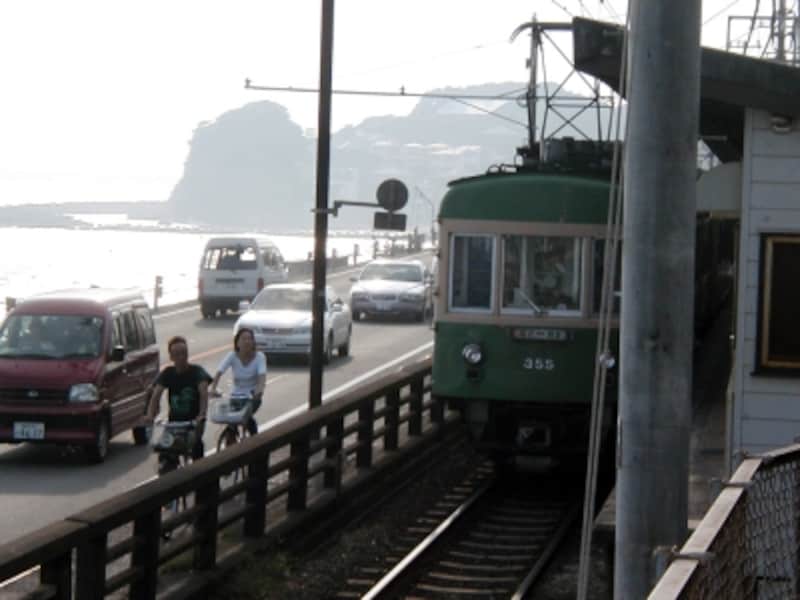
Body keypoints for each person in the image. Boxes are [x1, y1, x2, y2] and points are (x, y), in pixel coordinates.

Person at [148, 335, 212, 460]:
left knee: (196, 449)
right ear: (171, 357)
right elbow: (156, 394)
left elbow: (203, 393)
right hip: (174, 424)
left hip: (193, 423)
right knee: (163, 450)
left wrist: (202, 414)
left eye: (184, 353)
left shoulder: (197, 371)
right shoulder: (168, 373)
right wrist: (150, 415)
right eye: (177, 354)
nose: (181, 357)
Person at [209, 328, 266, 436]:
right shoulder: (232, 356)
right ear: (237, 342)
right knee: (231, 422)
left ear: (253, 342)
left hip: (252, 397)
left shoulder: (260, 357)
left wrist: (259, 391)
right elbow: (219, 372)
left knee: (249, 421)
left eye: (250, 339)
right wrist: (213, 389)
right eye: (243, 339)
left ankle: (256, 445)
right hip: (236, 396)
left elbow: (262, 378)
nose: (247, 342)